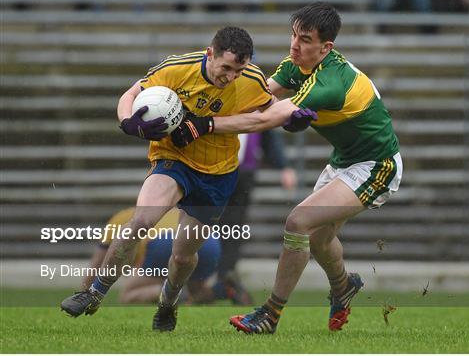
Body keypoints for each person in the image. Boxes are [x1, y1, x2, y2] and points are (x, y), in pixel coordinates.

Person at [171, 2, 402, 334]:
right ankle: (343, 285)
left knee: (298, 222)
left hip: (377, 165)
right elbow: (257, 98)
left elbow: (267, 118)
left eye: (305, 39)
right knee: (321, 240)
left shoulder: (330, 82)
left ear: (326, 48)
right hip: (344, 161)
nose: (295, 45)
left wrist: (204, 125)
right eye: (294, 35)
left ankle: (270, 314)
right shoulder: (296, 64)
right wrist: (198, 102)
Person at [60, 26, 306, 332]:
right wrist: (128, 123)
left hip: (218, 173)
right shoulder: (177, 68)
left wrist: (292, 118)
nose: (230, 76)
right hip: (172, 159)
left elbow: (270, 112)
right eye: (226, 67)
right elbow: (132, 93)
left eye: (238, 70)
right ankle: (94, 292)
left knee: (183, 255)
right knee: (140, 222)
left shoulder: (252, 79)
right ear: (210, 54)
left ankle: (168, 303)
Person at [212, 131, 297, 305]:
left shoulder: (257, 105)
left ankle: (224, 278)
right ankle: (213, 279)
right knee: (210, 224)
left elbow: (269, 134)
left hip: (244, 173)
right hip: (214, 171)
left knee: (233, 228)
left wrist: (284, 166)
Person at [82, 207, 221, 305]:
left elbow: (97, 262)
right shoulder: (176, 210)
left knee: (127, 295)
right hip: (210, 242)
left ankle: (167, 291)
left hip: (165, 243)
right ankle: (222, 290)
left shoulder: (124, 217)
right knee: (195, 288)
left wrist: (84, 293)